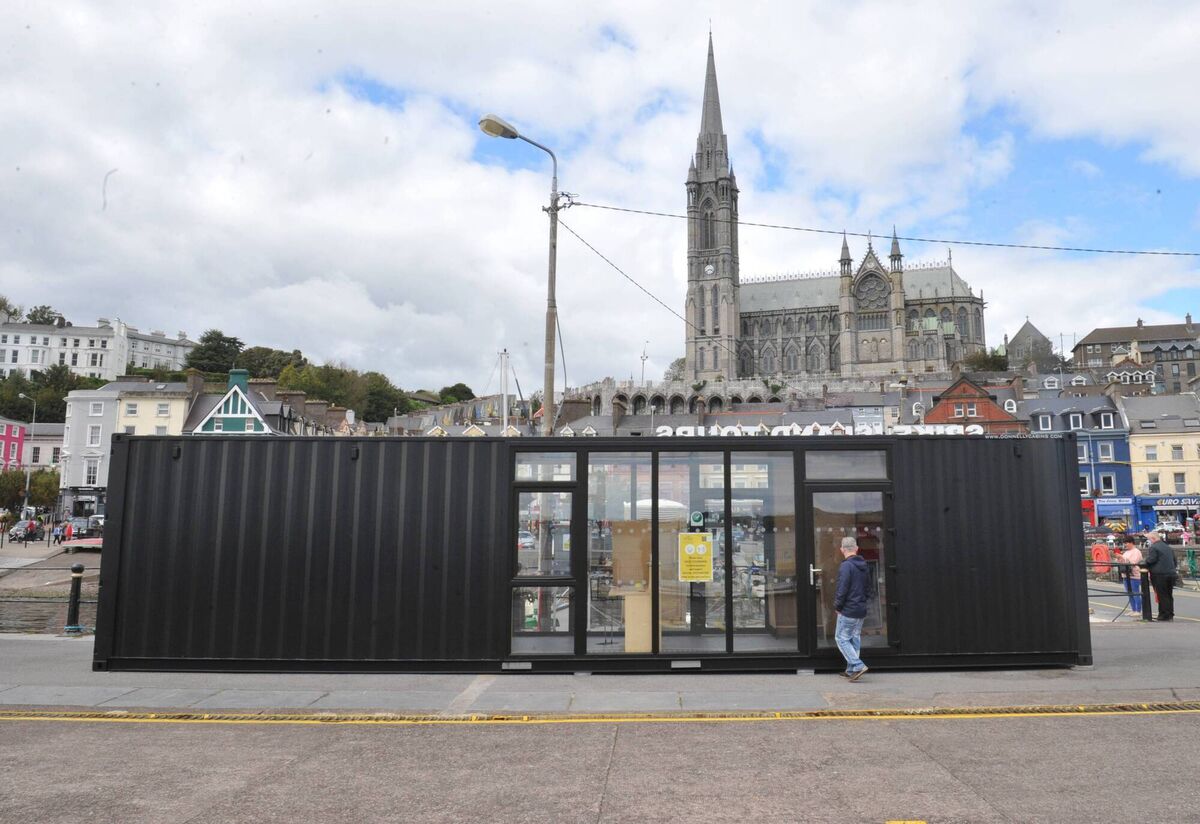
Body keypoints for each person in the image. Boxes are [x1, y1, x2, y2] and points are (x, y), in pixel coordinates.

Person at [833, 536, 872, 681]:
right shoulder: (864, 565)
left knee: (841, 639)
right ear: (856, 549)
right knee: (854, 638)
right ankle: (851, 671)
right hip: (860, 609)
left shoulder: (846, 566)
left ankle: (858, 665)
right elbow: (868, 588)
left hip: (848, 609)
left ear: (842, 549)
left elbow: (842, 589)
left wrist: (838, 606)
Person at [1141, 531, 1178, 622]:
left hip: (1160, 574)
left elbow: (1151, 559)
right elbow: (1174, 560)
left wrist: (1143, 563)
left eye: (1149, 539)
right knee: (1169, 594)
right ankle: (1170, 614)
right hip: (1171, 573)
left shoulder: (1154, 547)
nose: (1149, 541)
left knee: (1162, 595)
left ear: (1153, 539)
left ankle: (1164, 615)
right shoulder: (1167, 547)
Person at [1119, 538, 1143, 616]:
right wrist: (1119, 557)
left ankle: (1138, 610)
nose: (1125, 544)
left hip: (1134, 575)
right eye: (1124, 543)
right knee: (1129, 593)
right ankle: (1133, 609)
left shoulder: (1136, 552)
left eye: (1127, 543)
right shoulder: (1126, 552)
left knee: (1135, 593)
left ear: (1132, 543)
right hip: (1126, 574)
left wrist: (1122, 558)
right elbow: (1122, 561)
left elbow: (1133, 562)